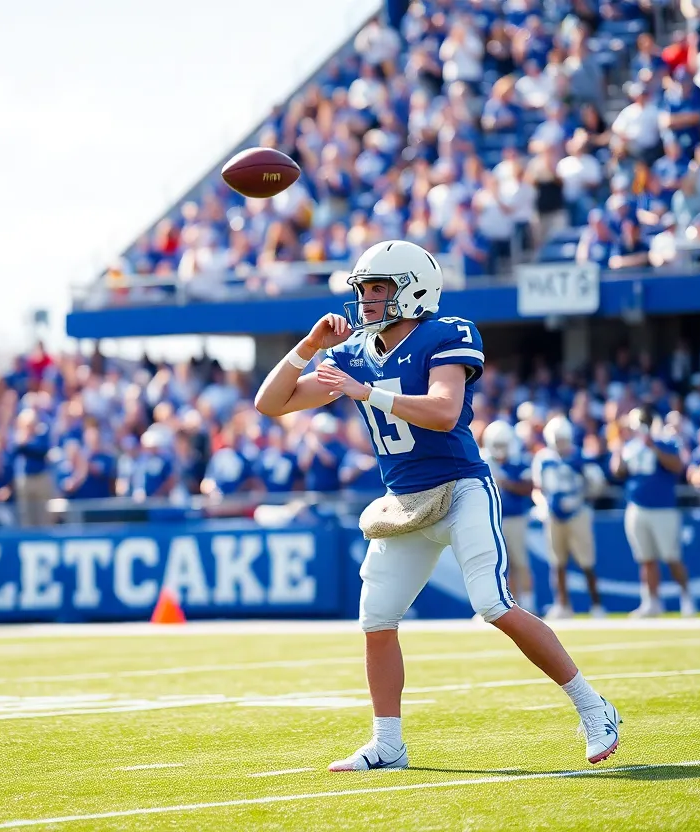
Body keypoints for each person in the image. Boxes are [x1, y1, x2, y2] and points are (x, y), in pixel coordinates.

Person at [254, 240, 620, 772]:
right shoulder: (355, 351)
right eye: (363, 289)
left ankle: (594, 707)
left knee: (493, 603)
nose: (366, 300)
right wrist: (307, 346)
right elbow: (270, 404)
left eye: (378, 288)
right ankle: (388, 744)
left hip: (461, 488)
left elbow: (445, 411)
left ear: (412, 289)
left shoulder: (444, 332)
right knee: (376, 620)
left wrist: (365, 393)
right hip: (404, 501)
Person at [609, 406, 697, 617]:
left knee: (671, 556)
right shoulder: (630, 446)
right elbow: (617, 472)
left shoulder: (666, 442)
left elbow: (678, 467)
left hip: (663, 509)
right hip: (637, 506)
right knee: (645, 558)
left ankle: (686, 597)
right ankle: (651, 602)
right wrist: (619, 447)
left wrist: (654, 448)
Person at [532, 417, 606, 619]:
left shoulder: (581, 457)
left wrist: (580, 499)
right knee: (557, 562)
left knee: (586, 562)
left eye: (563, 439)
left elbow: (598, 485)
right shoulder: (543, 458)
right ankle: (563, 605)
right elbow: (537, 489)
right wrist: (542, 504)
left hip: (577, 513)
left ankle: (596, 605)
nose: (560, 443)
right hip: (554, 515)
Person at [481, 421, 536, 615]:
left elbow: (529, 487)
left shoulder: (518, 462)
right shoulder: (483, 460)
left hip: (514, 518)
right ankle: (509, 605)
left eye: (503, 444)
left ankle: (528, 604)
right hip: (491, 519)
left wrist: (506, 483)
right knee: (499, 565)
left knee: (520, 561)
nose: (499, 449)